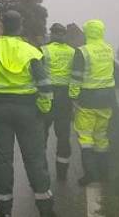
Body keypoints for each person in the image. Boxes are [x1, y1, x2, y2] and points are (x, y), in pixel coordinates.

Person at [0, 10, 57, 217]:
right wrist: (44, 108)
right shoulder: (32, 51)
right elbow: (45, 85)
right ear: (20, 26)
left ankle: (4, 211)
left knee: (2, 160)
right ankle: (46, 210)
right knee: (35, 159)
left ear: (3, 25)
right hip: (28, 110)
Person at [69, 19, 116, 186]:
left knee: (86, 137)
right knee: (101, 137)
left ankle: (90, 174)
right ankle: (104, 174)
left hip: (87, 100)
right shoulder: (109, 49)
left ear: (87, 32)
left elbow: (76, 78)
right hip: (107, 99)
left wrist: (73, 96)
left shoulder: (83, 52)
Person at [41, 23, 76, 180]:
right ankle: (62, 173)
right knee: (63, 136)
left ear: (52, 33)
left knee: (41, 134)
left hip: (47, 96)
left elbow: (38, 74)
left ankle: (41, 171)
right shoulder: (73, 52)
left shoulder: (44, 50)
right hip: (65, 98)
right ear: (64, 35)